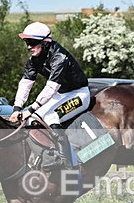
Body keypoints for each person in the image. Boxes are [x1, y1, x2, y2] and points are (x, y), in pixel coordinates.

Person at [9, 21, 91, 171]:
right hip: (61, 95)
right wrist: (17, 108)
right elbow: (25, 83)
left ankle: (67, 162)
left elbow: (51, 88)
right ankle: (46, 156)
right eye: (27, 42)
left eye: (33, 42)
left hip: (79, 94)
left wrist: (31, 109)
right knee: (32, 121)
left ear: (45, 42)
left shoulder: (59, 57)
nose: (29, 46)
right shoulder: (34, 60)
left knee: (51, 117)